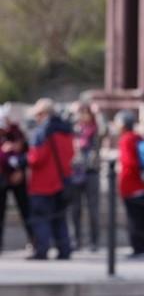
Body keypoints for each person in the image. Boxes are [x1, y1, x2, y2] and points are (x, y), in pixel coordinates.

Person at [24, 98, 74, 260]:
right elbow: (71, 154)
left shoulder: (41, 132)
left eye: (38, 114)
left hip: (43, 183)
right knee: (60, 218)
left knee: (41, 218)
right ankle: (64, 249)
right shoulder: (66, 131)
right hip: (62, 181)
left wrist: (21, 159)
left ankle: (41, 250)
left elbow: (36, 159)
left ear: (43, 114)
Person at [112, 110, 144, 260]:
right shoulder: (139, 138)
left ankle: (138, 249)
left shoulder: (126, 140)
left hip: (133, 186)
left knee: (134, 219)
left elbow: (130, 163)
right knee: (143, 219)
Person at [69, 102, 105, 252]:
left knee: (93, 209)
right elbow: (65, 124)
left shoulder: (96, 131)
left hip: (92, 171)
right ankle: (76, 240)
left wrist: (99, 113)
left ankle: (94, 241)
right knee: (75, 209)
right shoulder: (75, 130)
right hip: (76, 171)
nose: (84, 115)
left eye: (86, 112)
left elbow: (106, 129)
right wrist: (72, 111)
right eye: (81, 112)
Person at [0, 109, 34, 254]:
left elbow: (29, 153)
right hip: (2, 177)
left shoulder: (17, 133)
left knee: (25, 209)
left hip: (17, 177)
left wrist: (21, 170)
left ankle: (33, 241)